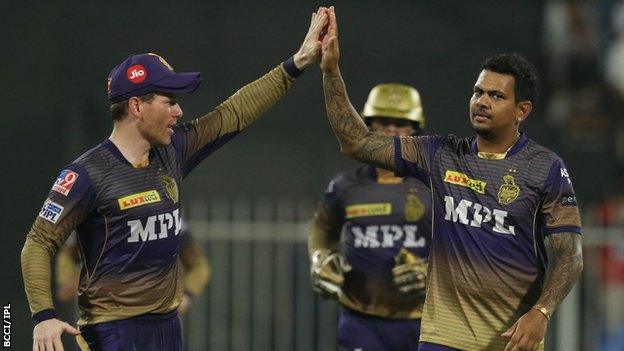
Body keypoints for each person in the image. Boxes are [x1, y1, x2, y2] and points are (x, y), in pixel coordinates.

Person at [21, 7, 329, 350]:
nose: (179, 112)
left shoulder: (172, 149)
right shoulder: (85, 174)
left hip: (168, 329)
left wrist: (298, 62)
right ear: (137, 107)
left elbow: (235, 112)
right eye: (169, 101)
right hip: (113, 334)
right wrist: (43, 316)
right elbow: (37, 243)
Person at [318, 7, 584, 351]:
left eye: (496, 95)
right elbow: (356, 141)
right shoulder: (440, 154)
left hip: (510, 341)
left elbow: (570, 256)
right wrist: (330, 71)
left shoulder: (545, 168)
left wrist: (542, 312)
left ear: (523, 110)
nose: (482, 102)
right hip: (443, 337)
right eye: (478, 92)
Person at [309, 83, 432, 351]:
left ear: (415, 128)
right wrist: (319, 258)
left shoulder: (434, 186)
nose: (391, 130)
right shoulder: (344, 186)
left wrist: (432, 273)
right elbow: (321, 231)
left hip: (424, 320)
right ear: (367, 125)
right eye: (383, 122)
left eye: (401, 123)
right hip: (360, 321)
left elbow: (463, 247)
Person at [55, 226, 211, 316]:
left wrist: (187, 296)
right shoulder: (93, 218)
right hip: (103, 314)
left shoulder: (169, 219)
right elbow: (68, 255)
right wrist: (67, 281)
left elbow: (199, 265)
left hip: (156, 315)